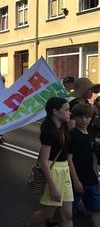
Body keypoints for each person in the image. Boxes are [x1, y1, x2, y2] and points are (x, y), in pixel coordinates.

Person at [26, 97, 73, 227]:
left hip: (65, 170)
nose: (70, 112)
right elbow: (44, 161)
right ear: (55, 111)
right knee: (47, 213)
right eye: (67, 110)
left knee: (68, 213)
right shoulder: (48, 131)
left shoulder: (63, 128)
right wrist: (52, 186)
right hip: (54, 172)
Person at [68, 103, 100, 227]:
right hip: (76, 180)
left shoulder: (91, 135)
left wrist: (95, 177)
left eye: (87, 117)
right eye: (80, 117)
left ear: (91, 118)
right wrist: (76, 181)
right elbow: (69, 159)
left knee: (96, 209)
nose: (83, 120)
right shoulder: (73, 135)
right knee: (69, 211)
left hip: (91, 180)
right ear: (74, 118)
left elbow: (90, 159)